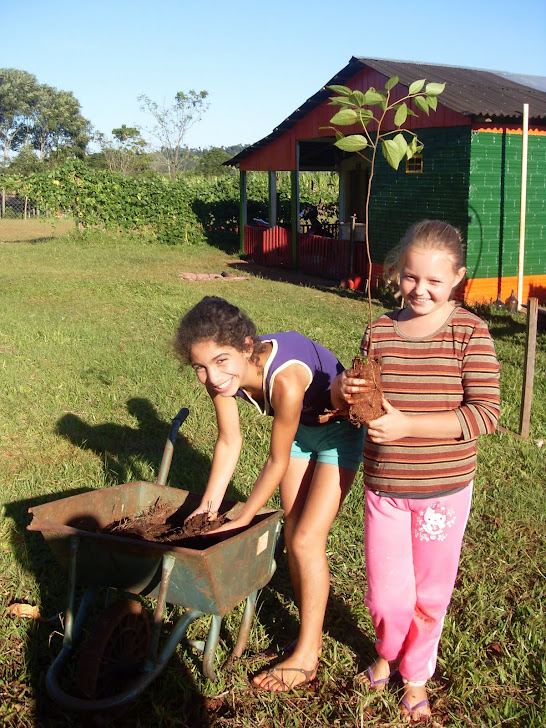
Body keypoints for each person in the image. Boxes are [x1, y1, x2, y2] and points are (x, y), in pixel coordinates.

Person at [331, 220, 500, 722]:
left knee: (429, 593)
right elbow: (362, 400)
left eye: (433, 280)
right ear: (396, 274)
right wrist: (345, 393)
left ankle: (416, 673)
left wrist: (408, 425)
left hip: (442, 492)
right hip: (383, 486)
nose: (419, 290)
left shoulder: (470, 333)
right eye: (409, 277)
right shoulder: (380, 329)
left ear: (457, 279)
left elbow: (485, 414)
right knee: (386, 593)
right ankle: (387, 647)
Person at [173, 296, 365, 692]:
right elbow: (229, 441)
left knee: (307, 540)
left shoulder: (286, 379)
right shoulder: (219, 378)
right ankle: (306, 636)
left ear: (247, 346)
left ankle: (307, 657)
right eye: (200, 368)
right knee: (294, 535)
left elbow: (276, 462)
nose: (212, 377)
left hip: (338, 432)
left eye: (221, 361)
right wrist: (208, 508)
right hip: (298, 434)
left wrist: (243, 516)